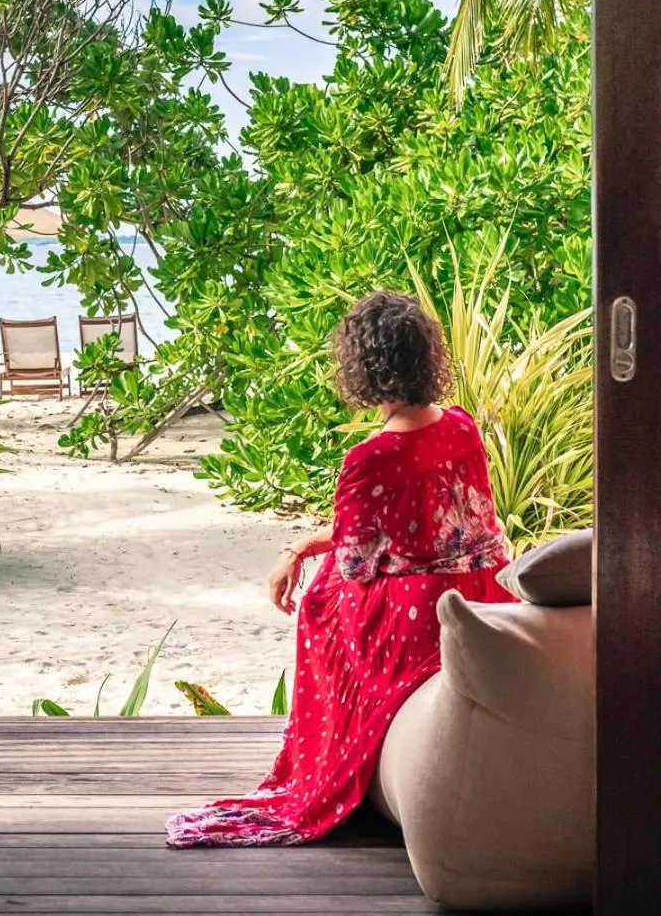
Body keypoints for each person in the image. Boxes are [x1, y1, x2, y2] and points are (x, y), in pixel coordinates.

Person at [166, 291, 514, 849]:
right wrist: (305, 543)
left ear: (364, 370)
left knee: (320, 603)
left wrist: (300, 554)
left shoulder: (370, 459)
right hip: (479, 594)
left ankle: (328, 759)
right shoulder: (462, 428)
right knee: (328, 582)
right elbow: (461, 523)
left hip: (421, 615)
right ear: (427, 360)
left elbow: (355, 558)